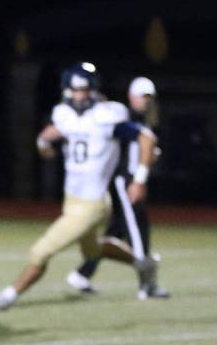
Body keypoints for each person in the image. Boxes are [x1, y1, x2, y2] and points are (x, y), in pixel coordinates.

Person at [0, 62, 160, 314]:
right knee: (94, 250)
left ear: (93, 90)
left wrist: (139, 179)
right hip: (72, 199)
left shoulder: (107, 117)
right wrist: (43, 142)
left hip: (92, 204)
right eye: (75, 90)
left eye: (84, 90)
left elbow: (147, 139)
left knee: (41, 251)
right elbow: (56, 131)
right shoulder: (65, 114)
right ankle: (144, 264)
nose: (79, 96)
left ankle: (6, 297)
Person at [66, 76, 169, 299]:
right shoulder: (122, 117)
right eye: (143, 97)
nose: (146, 101)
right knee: (137, 231)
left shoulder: (143, 119)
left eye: (149, 97)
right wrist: (136, 179)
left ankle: (82, 274)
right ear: (131, 96)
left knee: (116, 232)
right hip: (126, 180)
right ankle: (146, 284)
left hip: (133, 179)